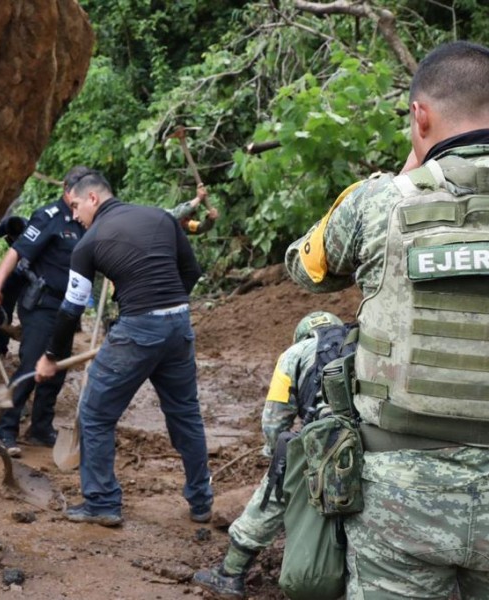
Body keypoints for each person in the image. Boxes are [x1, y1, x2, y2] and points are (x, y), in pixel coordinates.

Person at [285, 41, 489, 598]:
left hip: (400, 497)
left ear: (420, 115)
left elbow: (307, 269)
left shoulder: (378, 202)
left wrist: (398, 180)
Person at [34, 170, 213, 527]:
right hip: (179, 324)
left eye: (75, 207)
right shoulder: (161, 217)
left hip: (138, 329)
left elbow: (71, 309)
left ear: (93, 199)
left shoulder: (88, 243)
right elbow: (190, 272)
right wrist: (165, 307)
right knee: (185, 413)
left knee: (96, 414)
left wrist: (50, 356)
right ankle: (201, 501)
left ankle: (102, 502)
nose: (74, 216)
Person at [193, 311, 347, 598]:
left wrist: (277, 456)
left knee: (275, 491)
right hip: (368, 441)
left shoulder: (293, 354)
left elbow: (275, 420)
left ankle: (230, 573)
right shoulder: (361, 343)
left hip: (324, 439)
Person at [0, 167, 88, 457]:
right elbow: (16, 252)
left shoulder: (88, 217)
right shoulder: (49, 216)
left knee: (57, 368)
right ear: (66, 189)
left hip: (70, 307)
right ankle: (5, 430)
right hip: (42, 304)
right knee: (32, 366)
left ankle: (41, 427)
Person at [0, 214, 28, 356]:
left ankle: (26, 349)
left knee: (26, 308)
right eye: (12, 237)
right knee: (4, 307)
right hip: (14, 270)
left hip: (30, 272)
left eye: (16, 238)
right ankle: (1, 346)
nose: (14, 240)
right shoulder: (6, 225)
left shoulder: (30, 232)